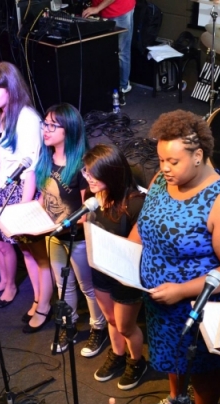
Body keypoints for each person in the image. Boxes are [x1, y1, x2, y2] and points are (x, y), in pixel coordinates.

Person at [131, 110, 220, 404]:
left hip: (195, 304)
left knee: (199, 369)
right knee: (170, 357)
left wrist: (183, 290)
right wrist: (124, 256)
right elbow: (145, 225)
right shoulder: (162, 179)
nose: (165, 168)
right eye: (161, 159)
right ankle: (173, 397)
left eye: (173, 160)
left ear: (198, 156)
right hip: (159, 298)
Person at [39, 104, 109, 356]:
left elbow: (89, 209)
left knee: (87, 287)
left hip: (76, 238)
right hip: (52, 235)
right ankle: (69, 327)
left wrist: (65, 224)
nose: (45, 130)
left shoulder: (81, 164)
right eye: (44, 124)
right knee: (63, 286)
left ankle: (97, 328)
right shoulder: (46, 157)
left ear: (68, 131)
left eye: (51, 125)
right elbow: (43, 194)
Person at [83, 144, 147, 389]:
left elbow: (132, 249)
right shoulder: (96, 199)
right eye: (86, 172)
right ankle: (118, 355)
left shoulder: (136, 204)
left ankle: (136, 361)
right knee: (110, 319)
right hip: (101, 269)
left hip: (125, 274)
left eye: (92, 174)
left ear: (111, 173)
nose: (88, 178)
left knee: (125, 326)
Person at [0, 62, 42, 308]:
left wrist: (23, 212)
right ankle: (21, 290)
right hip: (4, 189)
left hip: (23, 192)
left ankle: (40, 301)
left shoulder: (27, 119)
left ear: (10, 89)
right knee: (11, 246)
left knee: (30, 252)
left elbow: (31, 172)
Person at [82, 0, 135, 99]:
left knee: (121, 51)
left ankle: (122, 87)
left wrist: (97, 8)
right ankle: (110, 87)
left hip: (119, 9)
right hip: (101, 9)